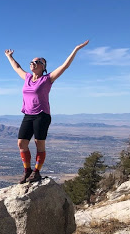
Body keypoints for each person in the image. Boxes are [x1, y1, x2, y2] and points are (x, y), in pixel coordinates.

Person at [5, 40, 89, 183]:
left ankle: (36, 172)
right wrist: (9, 56)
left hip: (42, 115)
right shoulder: (27, 78)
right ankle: (27, 170)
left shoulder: (47, 79)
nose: (33, 62)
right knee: (21, 144)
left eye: (37, 61)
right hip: (28, 114)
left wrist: (75, 49)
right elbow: (17, 67)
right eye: (32, 61)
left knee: (39, 143)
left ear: (43, 67)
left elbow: (65, 66)